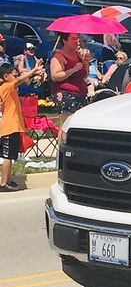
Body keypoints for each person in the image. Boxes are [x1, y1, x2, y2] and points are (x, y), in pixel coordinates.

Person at [0, 61, 45, 191]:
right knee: (7, 156)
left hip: (14, 126)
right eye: (13, 75)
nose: (16, 77)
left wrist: (35, 74)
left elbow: (25, 81)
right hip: (9, 127)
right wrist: (33, 70)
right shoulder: (6, 87)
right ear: (5, 77)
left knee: (12, 155)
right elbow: (20, 80)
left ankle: (9, 179)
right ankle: (3, 183)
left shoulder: (10, 87)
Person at [49, 32, 91, 123]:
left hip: (81, 94)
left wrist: (86, 62)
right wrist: (73, 70)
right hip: (66, 95)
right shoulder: (59, 57)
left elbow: (85, 74)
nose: (77, 41)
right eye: (73, 39)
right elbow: (55, 76)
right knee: (67, 124)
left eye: (77, 38)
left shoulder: (78, 55)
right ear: (64, 41)